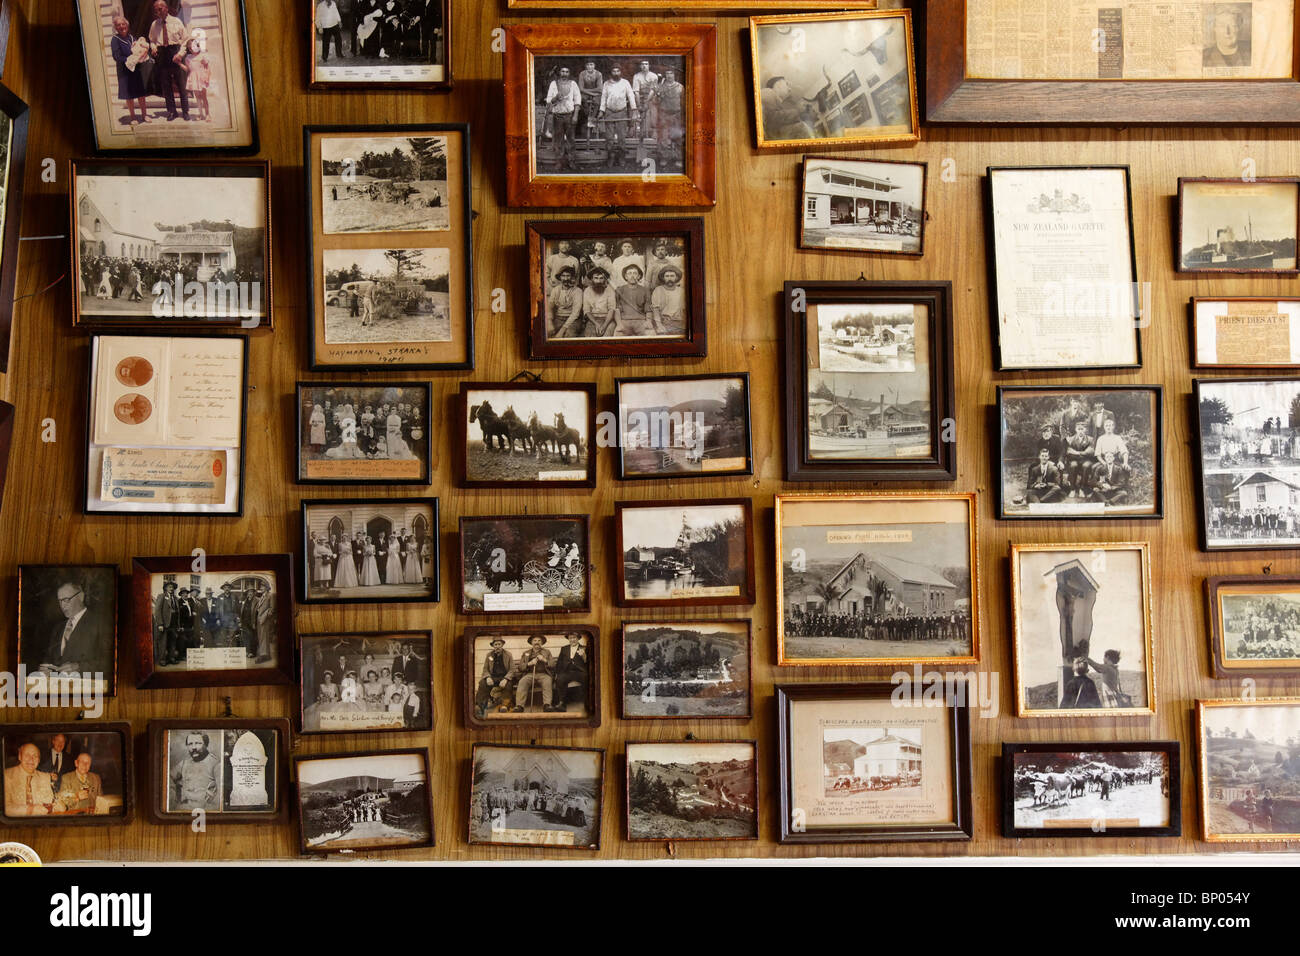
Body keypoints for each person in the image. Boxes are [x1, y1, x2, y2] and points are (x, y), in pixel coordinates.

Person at [38, 580, 109, 677]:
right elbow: (49, 658)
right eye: (60, 601)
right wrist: (45, 669)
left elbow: (109, 662)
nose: (62, 606)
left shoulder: (100, 623)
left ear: (81, 597)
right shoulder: (58, 628)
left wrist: (79, 667)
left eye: (66, 599)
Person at [147, 0, 190, 123]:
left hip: (175, 51)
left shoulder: (177, 22)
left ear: (166, 8)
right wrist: (154, 47)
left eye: (160, 9)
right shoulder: (154, 24)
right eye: (155, 9)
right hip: (162, 54)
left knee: (181, 84)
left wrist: (180, 54)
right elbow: (152, 40)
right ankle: (172, 111)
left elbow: (185, 40)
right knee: (166, 86)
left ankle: (185, 111)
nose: (157, 11)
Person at [110, 15, 150, 126]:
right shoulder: (115, 39)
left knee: (141, 93)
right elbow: (116, 56)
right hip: (124, 70)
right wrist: (130, 59)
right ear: (116, 27)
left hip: (136, 69)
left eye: (123, 24)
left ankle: (144, 115)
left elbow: (139, 49)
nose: (121, 26)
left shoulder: (132, 38)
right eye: (118, 25)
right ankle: (133, 116)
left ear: (127, 25)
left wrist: (142, 53)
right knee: (129, 94)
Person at [544, 66, 582, 170]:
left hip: (569, 115)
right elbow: (548, 100)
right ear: (560, 72)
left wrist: (576, 115)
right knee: (558, 140)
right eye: (562, 71)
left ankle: (572, 161)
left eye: (567, 71)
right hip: (558, 116)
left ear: (569, 73)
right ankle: (559, 161)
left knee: (571, 139)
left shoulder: (573, 84)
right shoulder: (554, 84)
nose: (564, 73)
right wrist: (555, 98)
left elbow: (578, 99)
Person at [169, 732, 220, 810]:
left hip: (205, 810)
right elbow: (168, 777)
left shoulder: (215, 763)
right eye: (190, 744)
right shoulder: (184, 762)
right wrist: (174, 796)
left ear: (206, 744)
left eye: (198, 743)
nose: (193, 747)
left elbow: (220, 796)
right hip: (182, 808)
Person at [598, 64, 636, 167]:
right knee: (609, 137)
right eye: (614, 71)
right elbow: (603, 97)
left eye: (617, 71)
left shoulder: (625, 83)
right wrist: (601, 111)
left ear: (620, 72)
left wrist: (634, 110)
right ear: (611, 72)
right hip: (609, 112)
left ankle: (621, 158)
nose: (616, 73)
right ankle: (610, 157)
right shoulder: (606, 84)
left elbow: (631, 96)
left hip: (621, 112)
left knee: (622, 137)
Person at [5, 743, 56, 816]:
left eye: (35, 756)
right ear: (20, 756)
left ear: (39, 760)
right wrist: (29, 810)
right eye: (27, 755)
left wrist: (56, 806)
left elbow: (49, 802)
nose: (31, 759)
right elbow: (4, 808)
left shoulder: (45, 777)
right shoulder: (6, 776)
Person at [510, 634, 555, 712]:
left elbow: (552, 665)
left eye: (539, 640)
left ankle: (547, 705)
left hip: (543, 674)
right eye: (535, 640)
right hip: (529, 674)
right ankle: (519, 706)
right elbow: (520, 667)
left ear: (542, 643)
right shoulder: (526, 653)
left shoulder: (547, 652)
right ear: (531, 642)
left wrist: (544, 660)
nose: (537, 642)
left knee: (547, 682)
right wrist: (529, 663)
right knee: (522, 682)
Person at [474, 636, 513, 718]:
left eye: (499, 644)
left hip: (504, 677)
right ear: (493, 646)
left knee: (508, 685)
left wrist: (506, 679)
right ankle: (480, 706)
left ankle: (504, 705)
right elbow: (485, 669)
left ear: (502, 645)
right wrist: (488, 677)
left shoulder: (508, 655)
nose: (497, 646)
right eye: (495, 644)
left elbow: (512, 669)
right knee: (482, 684)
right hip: (492, 677)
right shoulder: (489, 655)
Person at [572, 265, 615, 337]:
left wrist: (604, 326)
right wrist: (596, 324)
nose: (598, 281)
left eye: (601, 278)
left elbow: (611, 309)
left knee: (606, 336)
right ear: (592, 279)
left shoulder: (610, 290)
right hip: (593, 320)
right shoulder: (587, 291)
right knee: (590, 336)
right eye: (596, 278)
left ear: (605, 279)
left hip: (608, 320)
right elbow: (587, 310)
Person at [553, 631, 589, 712]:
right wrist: (557, 673)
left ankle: (588, 701)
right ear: (568, 639)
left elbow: (588, 662)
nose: (572, 640)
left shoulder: (584, 648)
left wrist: (584, 656)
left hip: (579, 672)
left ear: (578, 639)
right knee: (560, 679)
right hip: (567, 672)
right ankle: (562, 703)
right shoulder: (564, 648)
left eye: (574, 638)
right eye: (570, 638)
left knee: (587, 679)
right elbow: (559, 662)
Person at [614, 263, 651, 335]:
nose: (632, 276)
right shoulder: (619, 290)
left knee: (651, 334)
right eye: (629, 273)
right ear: (626, 276)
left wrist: (648, 322)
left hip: (641, 321)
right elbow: (617, 309)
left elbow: (648, 309)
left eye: (635, 273)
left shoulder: (645, 290)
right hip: (624, 321)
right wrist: (619, 324)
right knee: (617, 336)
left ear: (639, 276)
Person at [546, 265, 582, 337]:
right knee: (547, 332)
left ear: (572, 277)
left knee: (569, 335)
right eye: (563, 276)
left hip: (574, 320)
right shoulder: (555, 290)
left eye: (568, 276)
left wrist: (562, 330)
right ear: (560, 277)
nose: (566, 279)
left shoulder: (578, 291)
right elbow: (549, 307)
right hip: (558, 318)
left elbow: (575, 313)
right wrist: (549, 322)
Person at [182, 36, 211, 122]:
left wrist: (207, 77)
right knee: (197, 97)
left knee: (204, 97)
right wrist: (179, 64)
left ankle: (208, 114)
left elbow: (207, 68)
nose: (192, 49)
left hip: (202, 78)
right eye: (190, 48)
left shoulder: (202, 55)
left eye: (193, 47)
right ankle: (200, 114)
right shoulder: (188, 58)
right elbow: (188, 69)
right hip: (193, 78)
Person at [650, 264, 683, 335]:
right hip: (663, 322)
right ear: (663, 278)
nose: (669, 278)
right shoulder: (658, 290)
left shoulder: (681, 291)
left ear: (676, 277)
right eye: (667, 276)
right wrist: (660, 326)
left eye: (672, 276)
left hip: (679, 322)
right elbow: (655, 311)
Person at [154, 579, 180, 666]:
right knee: (163, 642)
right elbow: (157, 610)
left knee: (172, 642)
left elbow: (177, 612)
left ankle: (171, 658)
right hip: (164, 624)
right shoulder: (162, 596)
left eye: (172, 587)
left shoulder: (175, 598)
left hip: (173, 624)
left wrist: (178, 625)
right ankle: (162, 660)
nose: (171, 589)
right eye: (169, 587)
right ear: (165, 588)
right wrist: (160, 624)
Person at [577, 60, 602, 137]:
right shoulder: (582, 74)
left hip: (596, 94)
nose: (589, 67)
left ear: (594, 65)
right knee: (581, 100)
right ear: (585, 66)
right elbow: (580, 88)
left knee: (597, 101)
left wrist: (588, 91)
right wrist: (591, 93)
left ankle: (592, 119)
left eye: (591, 64)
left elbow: (600, 88)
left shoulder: (598, 74)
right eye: (588, 65)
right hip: (585, 94)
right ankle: (586, 117)